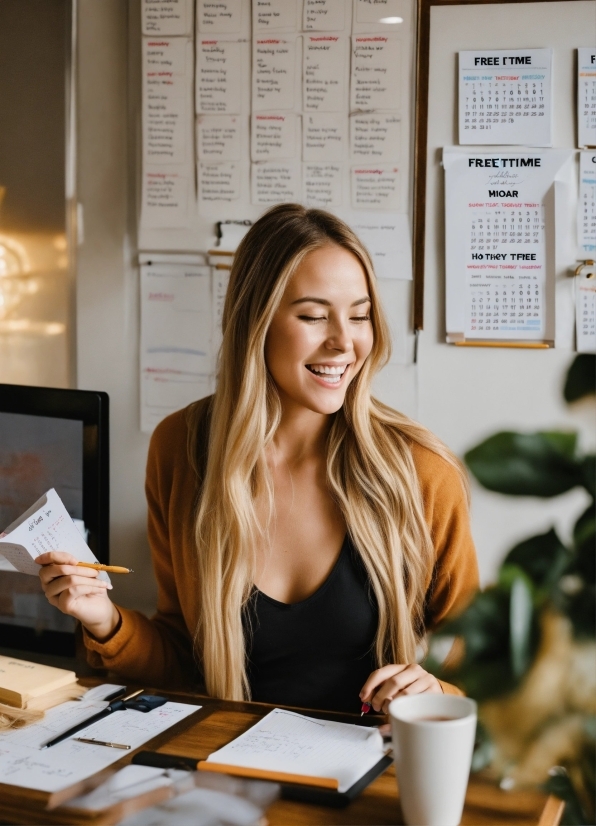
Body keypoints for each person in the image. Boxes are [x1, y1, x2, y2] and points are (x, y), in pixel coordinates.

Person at [36, 204, 479, 715]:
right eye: (314, 316)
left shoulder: (421, 472)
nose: (344, 342)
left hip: (375, 770)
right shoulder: (181, 449)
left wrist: (435, 691)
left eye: (359, 315)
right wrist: (103, 619)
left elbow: (481, 670)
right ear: (255, 322)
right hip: (229, 766)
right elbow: (185, 659)